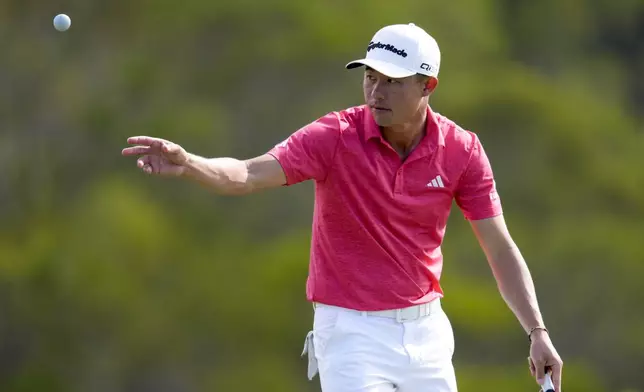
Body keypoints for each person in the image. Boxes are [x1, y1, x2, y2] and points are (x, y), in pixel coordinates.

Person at [122, 23, 563, 392]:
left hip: (427, 333)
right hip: (352, 333)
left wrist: (537, 332)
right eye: (370, 76)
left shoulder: (461, 150)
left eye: (392, 80)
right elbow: (248, 174)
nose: (376, 90)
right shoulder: (333, 135)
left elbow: (499, 248)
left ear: (428, 86)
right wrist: (191, 164)